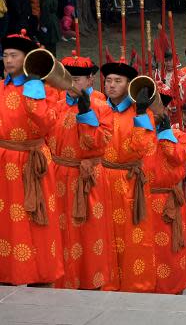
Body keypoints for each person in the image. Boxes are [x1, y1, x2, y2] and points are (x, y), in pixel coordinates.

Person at [0, 31, 62, 286]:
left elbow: (48, 124)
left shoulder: (44, 90)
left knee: (36, 216)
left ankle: (41, 273)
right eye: (5, 55)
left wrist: (35, 92)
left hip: (32, 161)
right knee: (5, 220)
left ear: (27, 58)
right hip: (3, 160)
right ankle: (6, 272)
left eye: (14, 55)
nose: (7, 60)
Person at [50, 54, 114, 290]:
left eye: (78, 79)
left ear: (90, 80)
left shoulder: (101, 108)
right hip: (57, 177)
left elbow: (99, 143)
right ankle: (59, 281)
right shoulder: (55, 107)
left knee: (89, 233)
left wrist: (86, 115)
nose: (73, 84)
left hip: (88, 179)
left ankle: (90, 283)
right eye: (68, 79)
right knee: (59, 232)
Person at [100, 59, 158, 292]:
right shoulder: (98, 107)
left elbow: (140, 147)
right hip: (101, 178)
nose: (112, 85)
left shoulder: (141, 113)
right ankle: (105, 281)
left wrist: (142, 113)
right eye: (108, 81)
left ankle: (135, 284)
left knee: (132, 235)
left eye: (118, 81)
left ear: (128, 85)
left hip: (128, 181)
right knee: (103, 233)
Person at [146, 83, 186, 294]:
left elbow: (179, 159)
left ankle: (174, 290)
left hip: (167, 201)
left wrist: (165, 134)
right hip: (143, 200)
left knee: (170, 252)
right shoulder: (140, 134)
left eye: (159, 109)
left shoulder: (180, 136)